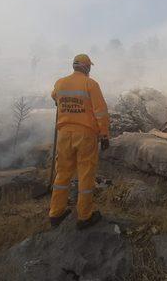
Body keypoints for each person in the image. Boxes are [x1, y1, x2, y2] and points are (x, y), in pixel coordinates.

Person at [49, 54, 110, 230]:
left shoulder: (60, 83)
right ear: (86, 67)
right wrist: (104, 135)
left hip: (64, 134)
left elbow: (54, 96)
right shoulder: (91, 84)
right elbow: (101, 112)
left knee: (62, 174)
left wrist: (61, 103)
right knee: (85, 174)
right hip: (85, 135)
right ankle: (84, 217)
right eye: (89, 67)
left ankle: (56, 214)